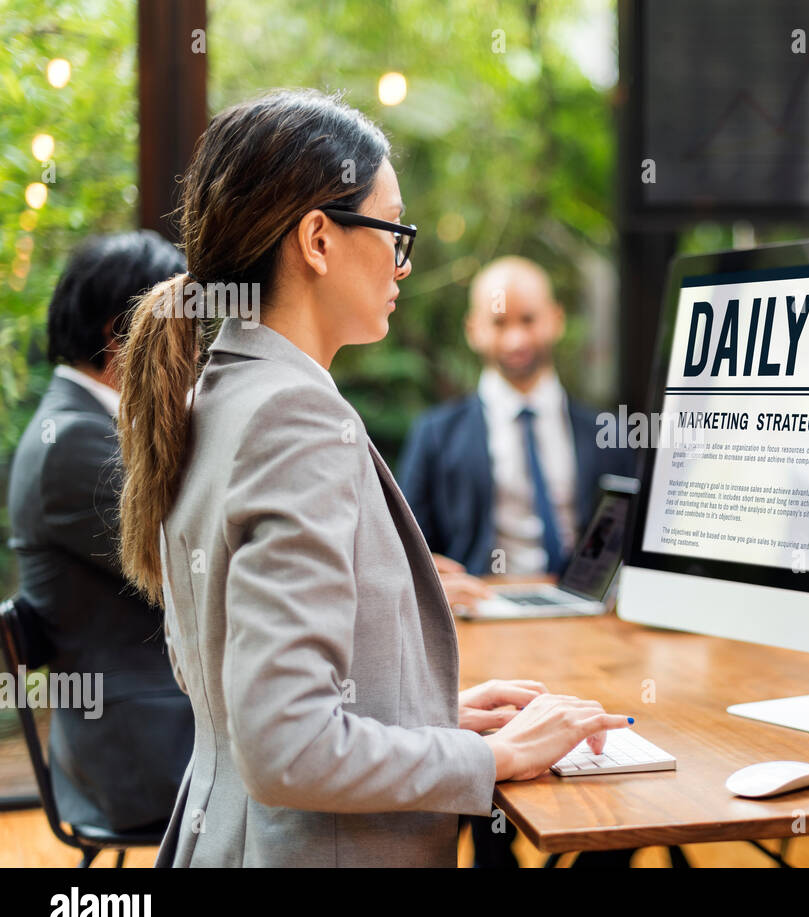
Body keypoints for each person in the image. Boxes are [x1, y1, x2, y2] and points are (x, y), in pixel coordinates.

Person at [114, 89, 630, 868]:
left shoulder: (215, 395)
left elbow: (237, 693)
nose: (404, 259)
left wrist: (426, 716)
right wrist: (491, 760)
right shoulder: (294, 419)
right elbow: (286, 745)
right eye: (393, 231)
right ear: (318, 239)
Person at [6, 231, 194, 833]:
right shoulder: (75, 444)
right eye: (183, 329)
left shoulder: (82, 425)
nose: (195, 352)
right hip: (143, 751)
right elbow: (201, 565)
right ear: (122, 334)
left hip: (148, 727)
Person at [398, 256, 636, 588]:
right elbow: (405, 548)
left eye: (528, 320)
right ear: (473, 330)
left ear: (556, 319)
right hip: (478, 612)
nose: (516, 340)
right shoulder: (435, 435)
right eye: (499, 323)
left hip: (583, 611)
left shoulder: (607, 433)